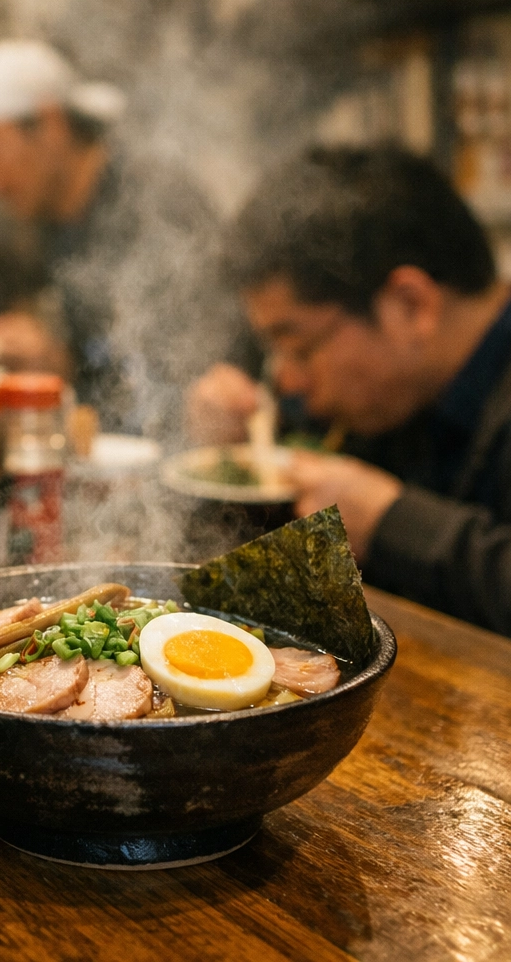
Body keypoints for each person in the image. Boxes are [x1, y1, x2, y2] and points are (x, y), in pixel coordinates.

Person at [190, 147, 511, 634]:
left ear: (409, 305)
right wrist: (232, 442)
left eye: (299, 348)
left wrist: (392, 522)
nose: (287, 380)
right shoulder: (388, 394)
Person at [0, 39, 240, 435]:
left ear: (49, 124)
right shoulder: (40, 223)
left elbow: (189, 379)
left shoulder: (157, 207)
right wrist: (50, 360)